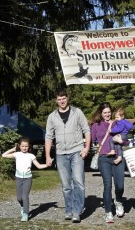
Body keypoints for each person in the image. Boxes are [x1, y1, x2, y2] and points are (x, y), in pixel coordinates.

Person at [45, 88, 91, 223]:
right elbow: (48, 137)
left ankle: (77, 211)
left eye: (63, 98)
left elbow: (86, 130)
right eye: (59, 99)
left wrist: (86, 148)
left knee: (78, 182)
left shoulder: (77, 112)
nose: (62, 101)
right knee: (66, 185)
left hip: (77, 151)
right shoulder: (52, 117)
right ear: (56, 101)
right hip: (60, 154)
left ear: (67, 98)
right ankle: (69, 210)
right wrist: (48, 155)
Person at [91, 102, 126, 223]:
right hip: (104, 158)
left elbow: (126, 140)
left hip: (118, 158)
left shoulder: (117, 122)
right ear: (100, 113)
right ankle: (108, 212)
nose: (107, 114)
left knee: (120, 185)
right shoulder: (96, 125)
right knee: (107, 185)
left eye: (109, 112)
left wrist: (122, 141)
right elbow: (90, 139)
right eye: (104, 112)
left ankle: (118, 201)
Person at [2, 137, 49, 222]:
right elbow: (3, 155)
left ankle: (25, 214)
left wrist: (47, 165)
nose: (24, 148)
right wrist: (13, 149)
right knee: (19, 198)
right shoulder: (17, 154)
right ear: (19, 146)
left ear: (29, 147)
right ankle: (23, 206)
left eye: (26, 146)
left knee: (25, 196)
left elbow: (38, 166)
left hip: (27, 178)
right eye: (22, 146)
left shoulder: (31, 156)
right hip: (18, 178)